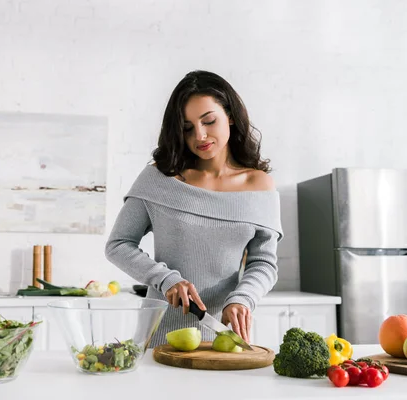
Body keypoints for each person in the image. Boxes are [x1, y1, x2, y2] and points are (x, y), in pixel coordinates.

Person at [105, 70, 283, 347]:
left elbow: (264, 263)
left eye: (209, 121)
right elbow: (118, 244)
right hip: (158, 338)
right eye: (187, 128)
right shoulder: (159, 179)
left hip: (225, 340)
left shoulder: (259, 185)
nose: (200, 135)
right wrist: (165, 280)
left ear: (231, 116)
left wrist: (242, 298)